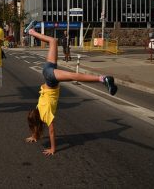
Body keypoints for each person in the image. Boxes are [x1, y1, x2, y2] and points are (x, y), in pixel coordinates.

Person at [24, 23, 117, 156]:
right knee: (53, 41)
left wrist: (53, 149)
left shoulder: (44, 114)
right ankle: (32, 32)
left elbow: (51, 131)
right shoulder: (39, 108)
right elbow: (34, 124)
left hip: (51, 79)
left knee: (75, 76)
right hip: (47, 72)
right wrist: (34, 136)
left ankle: (103, 79)